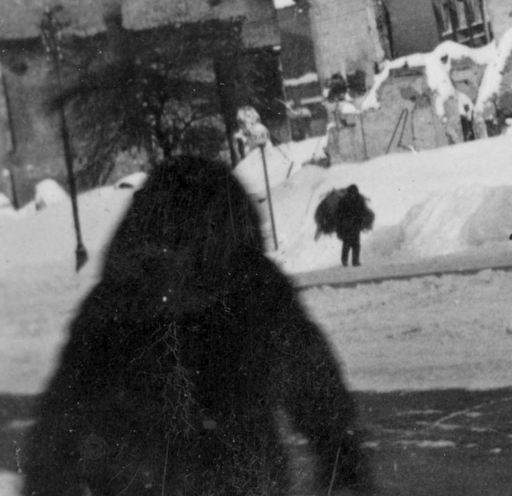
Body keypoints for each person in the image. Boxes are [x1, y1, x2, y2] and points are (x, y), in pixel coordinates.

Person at [23, 155, 372, 496]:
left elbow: (59, 423)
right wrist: (344, 464)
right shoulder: (255, 287)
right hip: (242, 477)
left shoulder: (117, 298)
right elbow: (316, 388)